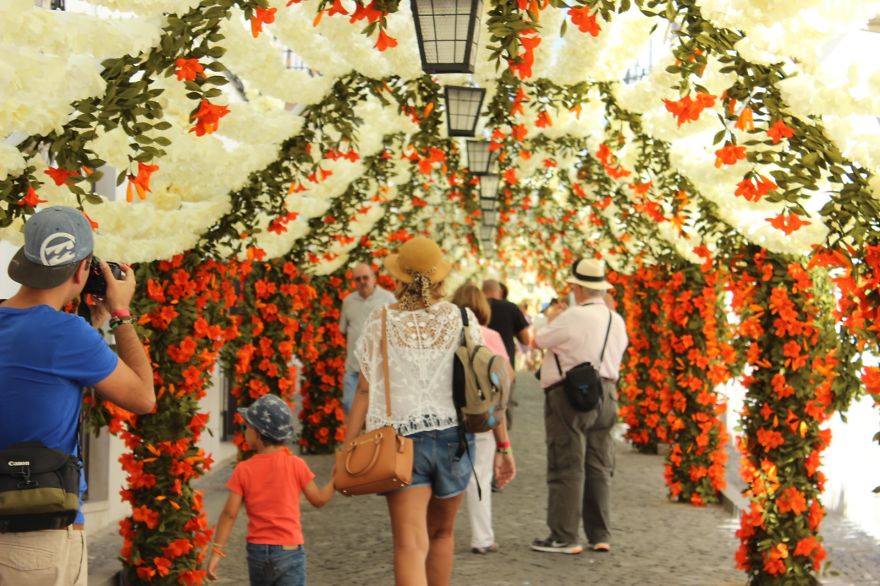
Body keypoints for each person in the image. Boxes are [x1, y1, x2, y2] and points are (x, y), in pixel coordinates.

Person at [343, 237, 516, 585]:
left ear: (399, 278)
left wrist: (348, 444)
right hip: (455, 440)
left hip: (401, 443)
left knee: (409, 544)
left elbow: (364, 388)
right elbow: (485, 383)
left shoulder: (382, 320)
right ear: (438, 278)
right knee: (442, 536)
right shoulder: (462, 318)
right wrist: (504, 445)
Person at [0, 205, 155, 586]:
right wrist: (120, 313)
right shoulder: (67, 334)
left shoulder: (46, 330)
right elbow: (143, 397)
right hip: (39, 537)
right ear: (83, 269)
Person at [530, 258, 628, 555]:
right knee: (599, 465)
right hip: (608, 394)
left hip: (571, 395)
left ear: (578, 288)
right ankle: (600, 534)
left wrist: (553, 319)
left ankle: (564, 536)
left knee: (566, 462)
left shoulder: (573, 316)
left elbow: (538, 340)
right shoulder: (616, 319)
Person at [206, 394, 334, 585]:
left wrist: (216, 552)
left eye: (246, 427)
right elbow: (319, 499)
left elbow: (229, 515)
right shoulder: (296, 465)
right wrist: (335, 480)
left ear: (258, 434)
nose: (244, 431)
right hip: (290, 550)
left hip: (257, 552)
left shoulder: (243, 469)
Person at [450, 283, 515, 555]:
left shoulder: (444, 336)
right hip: (479, 417)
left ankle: (437, 534)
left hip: (448, 417)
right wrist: (505, 444)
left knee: (445, 479)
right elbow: (503, 383)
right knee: (480, 476)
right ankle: (482, 538)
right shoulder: (490, 336)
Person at [339, 263, 395, 413]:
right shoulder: (348, 302)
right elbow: (343, 330)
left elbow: (396, 331)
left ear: (373, 278)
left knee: (377, 412)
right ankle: (358, 436)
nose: (362, 281)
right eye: (358, 279)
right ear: (354, 282)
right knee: (348, 406)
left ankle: (368, 435)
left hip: (378, 369)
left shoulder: (388, 299)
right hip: (354, 368)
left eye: (365, 277)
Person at [481, 279, 532, 366]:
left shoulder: (475, 306)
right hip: (504, 364)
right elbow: (526, 339)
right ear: (500, 292)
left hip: (479, 360)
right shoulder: (511, 307)